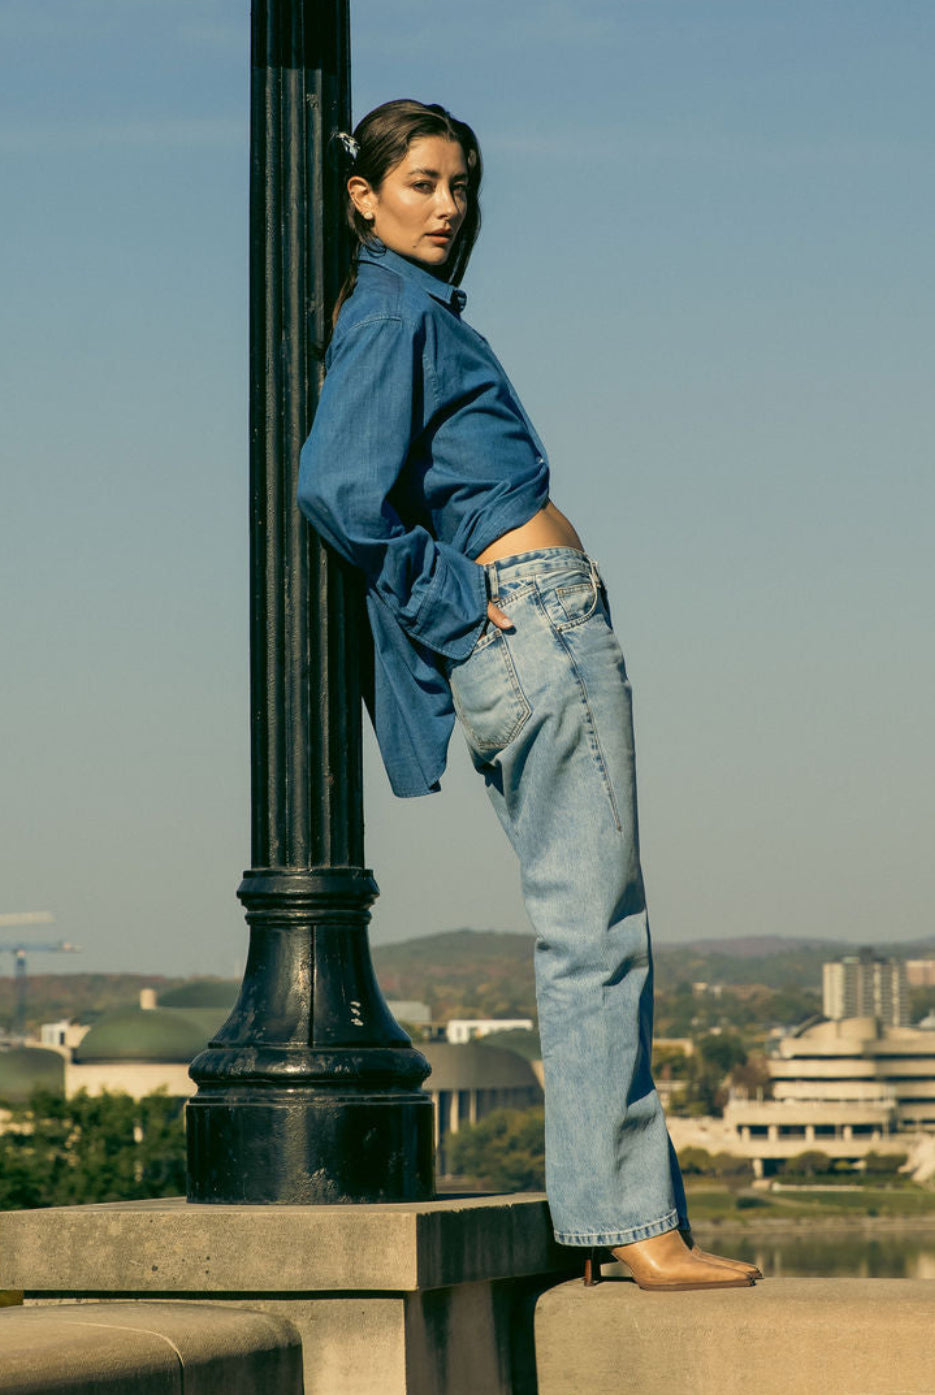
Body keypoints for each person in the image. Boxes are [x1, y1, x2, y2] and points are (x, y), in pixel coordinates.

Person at [298, 99, 759, 1291]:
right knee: (594, 931)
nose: (447, 208)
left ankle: (611, 1214)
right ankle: (630, 1223)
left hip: (535, 621)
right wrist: (460, 605)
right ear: (363, 196)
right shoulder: (394, 312)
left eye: (461, 187)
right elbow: (338, 492)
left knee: (584, 925)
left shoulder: (406, 312)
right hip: (531, 623)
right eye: (420, 184)